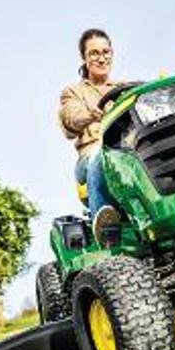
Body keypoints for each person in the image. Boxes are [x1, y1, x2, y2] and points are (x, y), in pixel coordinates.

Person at [58, 27, 120, 237]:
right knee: (99, 155)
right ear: (84, 58)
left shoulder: (124, 89)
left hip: (127, 153)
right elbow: (70, 121)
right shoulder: (74, 92)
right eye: (94, 53)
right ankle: (104, 227)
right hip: (90, 157)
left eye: (106, 52)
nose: (101, 58)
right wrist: (90, 115)